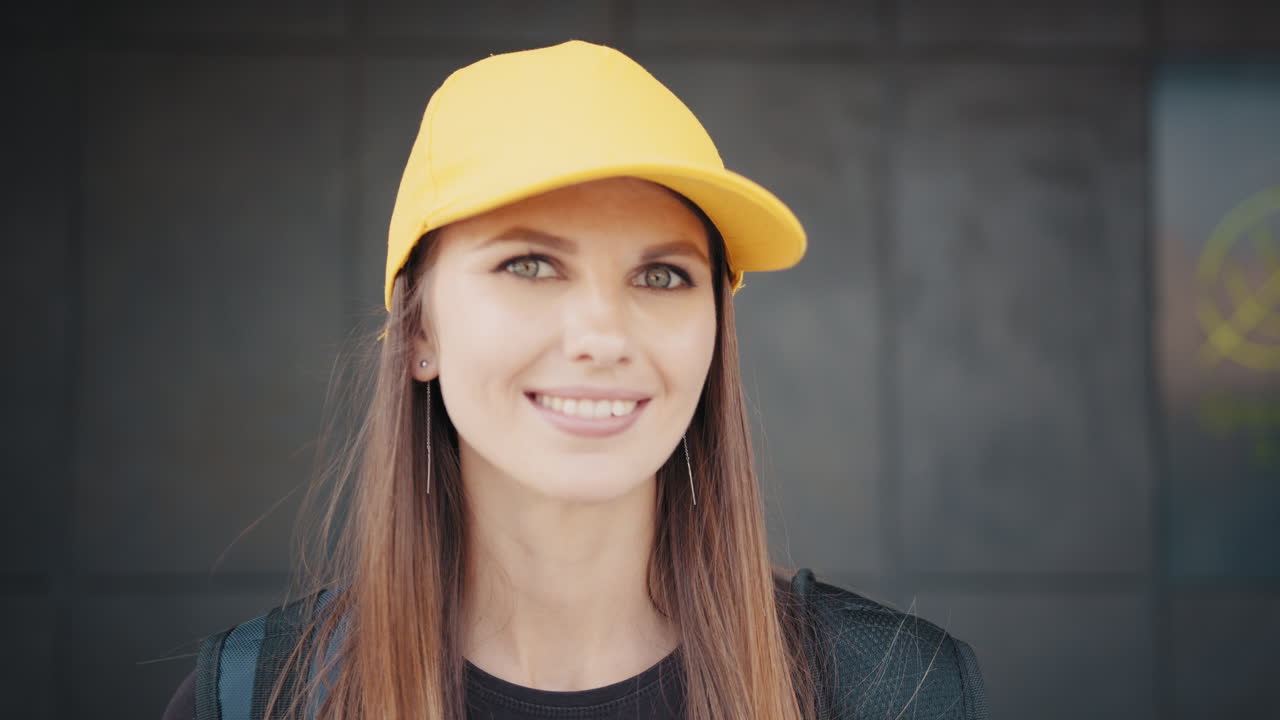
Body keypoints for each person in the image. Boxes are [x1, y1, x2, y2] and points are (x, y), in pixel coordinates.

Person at [161, 40, 987, 720]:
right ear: (419, 330)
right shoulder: (254, 697)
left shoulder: (894, 691)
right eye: (530, 263)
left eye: (662, 276)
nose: (602, 336)